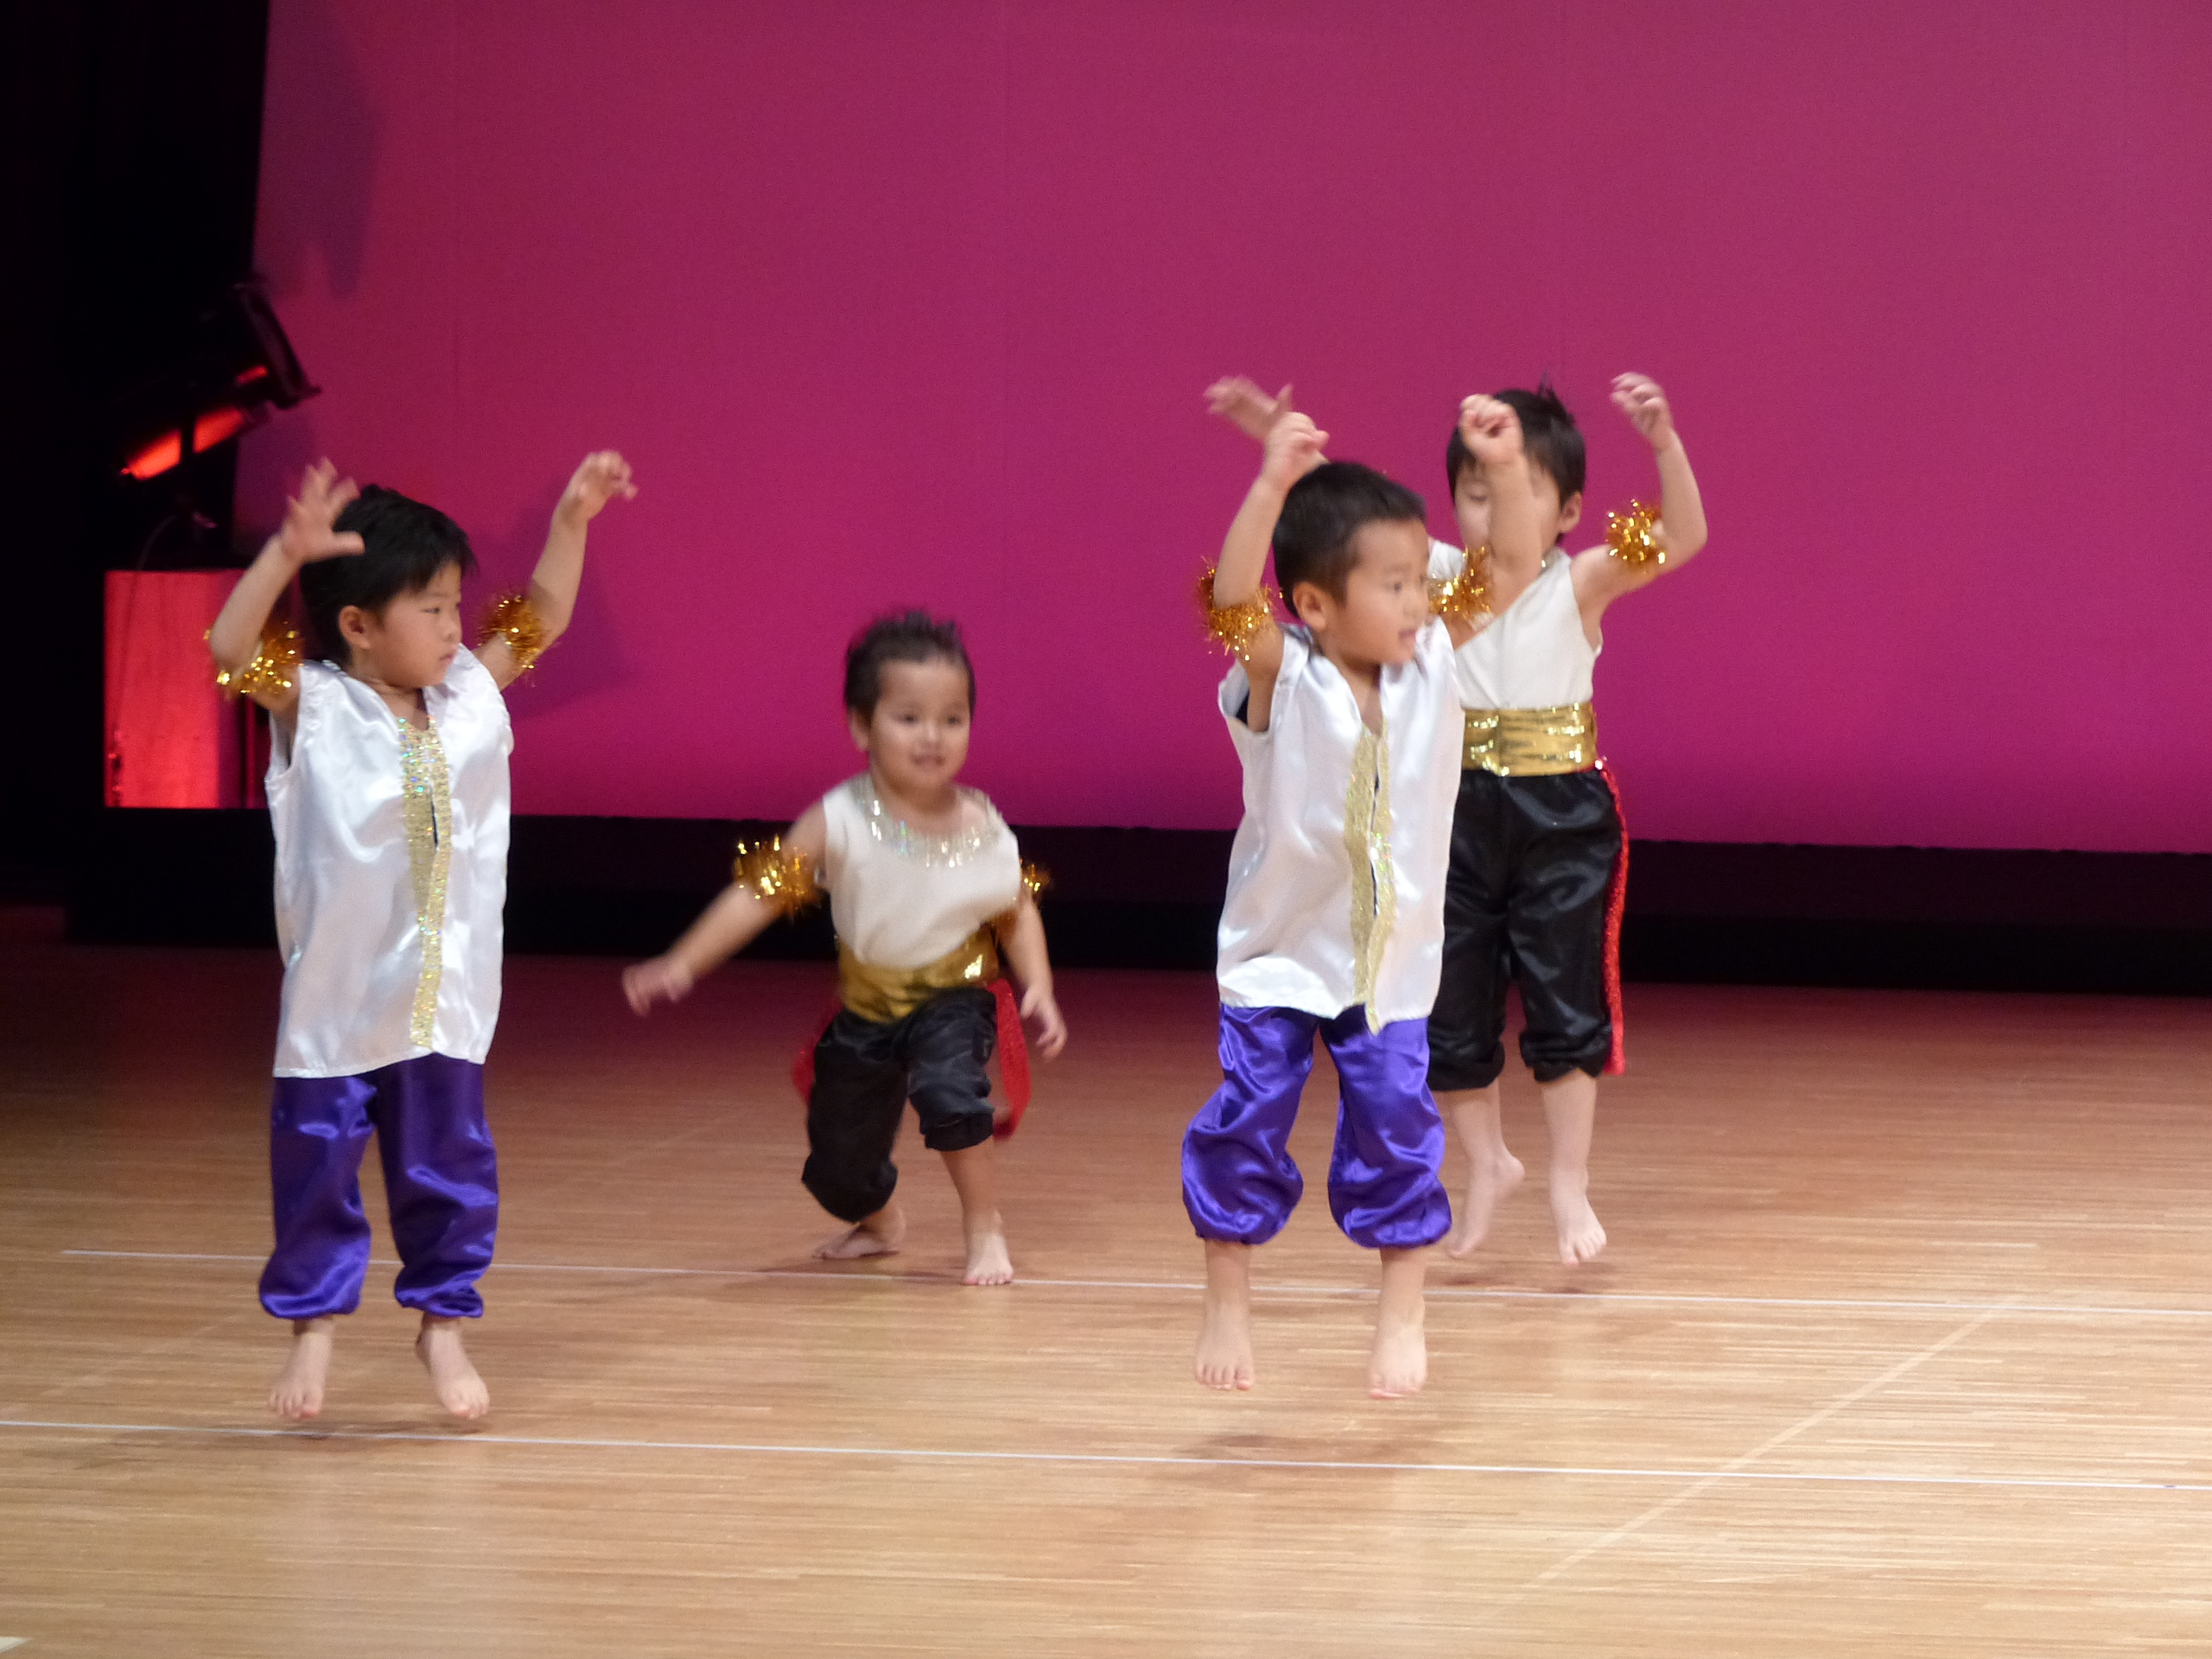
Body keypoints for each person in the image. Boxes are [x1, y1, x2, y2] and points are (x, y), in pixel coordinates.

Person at [208, 451, 636, 1421]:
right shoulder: (314, 706)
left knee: (448, 1168)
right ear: (359, 626)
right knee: (316, 1169)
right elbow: (232, 651)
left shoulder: (470, 695)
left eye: (455, 606)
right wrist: (283, 555)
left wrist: (571, 518)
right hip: (335, 1008)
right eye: (432, 609)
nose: (454, 627)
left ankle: (443, 1326)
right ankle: (312, 1332)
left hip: (443, 1003)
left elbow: (542, 617)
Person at [1183, 391, 1524, 1398]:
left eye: (1422, 579)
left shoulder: (1433, 669)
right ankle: (1227, 1296)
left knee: (1395, 1129)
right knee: (1247, 1118)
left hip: (1390, 967)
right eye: (1394, 583)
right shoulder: (1283, 674)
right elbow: (1232, 600)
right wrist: (1270, 484)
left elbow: (1508, 569)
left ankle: (1402, 1311)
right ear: (1318, 604)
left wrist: (1506, 469)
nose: (1421, 600)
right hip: (1278, 957)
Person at [623, 612, 1066, 1287]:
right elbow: (761, 894)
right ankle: (879, 1219)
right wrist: (682, 963)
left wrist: (1041, 987)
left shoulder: (981, 824)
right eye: (909, 717)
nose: (933, 736)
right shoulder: (837, 819)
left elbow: (1016, 910)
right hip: (866, 1008)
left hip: (954, 997)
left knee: (950, 1092)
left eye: (952, 719)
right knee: (837, 1160)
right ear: (861, 726)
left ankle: (983, 1225)